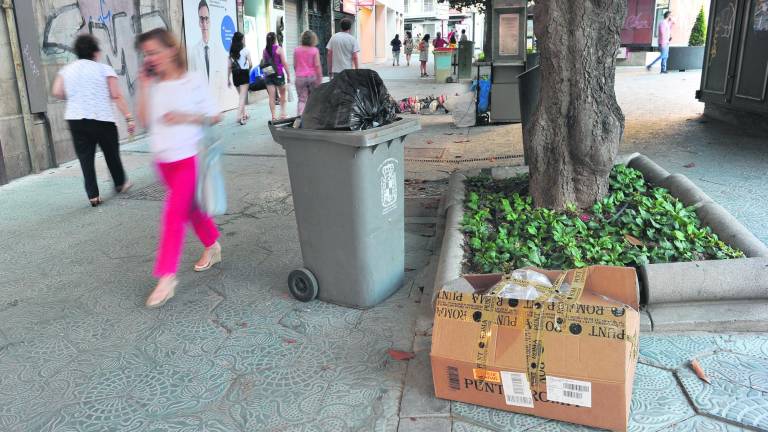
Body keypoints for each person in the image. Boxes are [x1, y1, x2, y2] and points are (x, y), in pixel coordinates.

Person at [135, 28, 222, 309]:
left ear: (171, 49)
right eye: (147, 54)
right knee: (191, 209)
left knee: (173, 215)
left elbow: (215, 116)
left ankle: (166, 277)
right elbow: (145, 120)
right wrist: (145, 86)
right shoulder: (155, 84)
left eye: (154, 51)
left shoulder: (192, 81)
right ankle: (213, 245)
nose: (151, 58)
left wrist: (184, 116)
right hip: (163, 162)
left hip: (188, 159)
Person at [51, 34, 133, 207]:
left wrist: (74, 96)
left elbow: (57, 91)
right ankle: (120, 183)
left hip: (76, 119)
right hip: (102, 118)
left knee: (85, 158)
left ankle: (93, 196)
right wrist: (128, 117)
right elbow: (116, 95)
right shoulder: (104, 69)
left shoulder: (67, 70)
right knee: (111, 153)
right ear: (95, 52)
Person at [293, 30, 323, 116]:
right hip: (312, 77)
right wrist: (319, 78)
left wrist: (299, 74)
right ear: (313, 39)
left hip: (300, 77)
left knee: (302, 100)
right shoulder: (314, 50)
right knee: (313, 99)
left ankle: (300, 118)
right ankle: (313, 118)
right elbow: (317, 65)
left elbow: (295, 65)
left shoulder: (297, 50)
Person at [263, 31, 291, 120]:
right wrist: (288, 74)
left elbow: (264, 63)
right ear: (275, 39)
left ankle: (273, 117)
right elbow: (284, 63)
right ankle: (282, 114)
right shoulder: (279, 49)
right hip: (278, 74)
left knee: (271, 97)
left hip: (268, 75)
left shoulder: (265, 50)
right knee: (282, 94)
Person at [228, 32, 252, 125]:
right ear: (241, 40)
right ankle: (239, 116)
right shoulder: (246, 50)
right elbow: (250, 64)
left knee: (241, 96)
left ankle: (244, 114)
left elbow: (229, 67)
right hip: (244, 74)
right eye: (243, 38)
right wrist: (248, 70)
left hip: (235, 76)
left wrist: (228, 79)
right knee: (242, 97)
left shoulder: (231, 52)